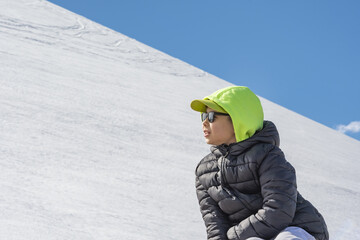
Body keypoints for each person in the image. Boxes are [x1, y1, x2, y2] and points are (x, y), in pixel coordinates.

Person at [190, 86, 329, 240]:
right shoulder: (204, 171)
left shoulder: (267, 156)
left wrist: (233, 237)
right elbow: (215, 225)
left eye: (211, 117)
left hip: (295, 229)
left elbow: (278, 211)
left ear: (238, 119)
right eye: (203, 116)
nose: (204, 123)